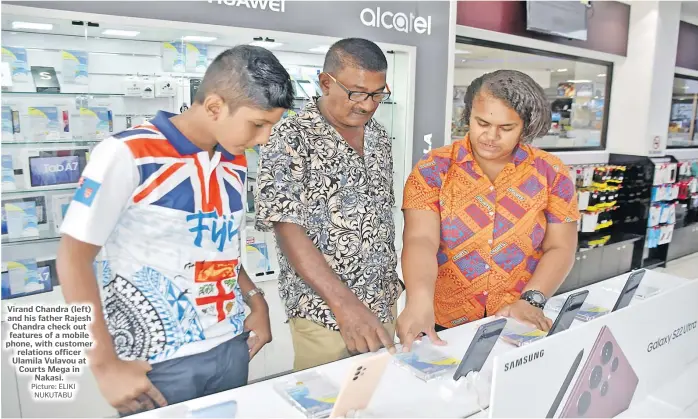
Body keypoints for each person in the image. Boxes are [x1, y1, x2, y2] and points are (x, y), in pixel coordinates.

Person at [56, 45, 295, 415]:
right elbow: (73, 258)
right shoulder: (125, 153)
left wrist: (255, 300)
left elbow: (221, 247)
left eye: (271, 127)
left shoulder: (234, 158)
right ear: (215, 106)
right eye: (258, 124)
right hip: (159, 362)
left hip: (230, 346)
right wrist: (104, 365)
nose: (264, 138)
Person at [397, 70, 580, 350]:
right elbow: (421, 240)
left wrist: (531, 300)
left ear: (525, 126)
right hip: (444, 319)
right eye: (482, 123)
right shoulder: (434, 169)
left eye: (506, 128)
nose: (491, 136)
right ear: (468, 115)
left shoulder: (552, 173)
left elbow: (561, 246)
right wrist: (418, 300)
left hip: (519, 317)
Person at [254, 38, 402, 371]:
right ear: (325, 82)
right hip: (325, 313)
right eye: (357, 93)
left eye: (378, 94)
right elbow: (287, 228)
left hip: (382, 305)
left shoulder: (377, 135)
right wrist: (345, 305)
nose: (367, 105)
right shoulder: (290, 135)